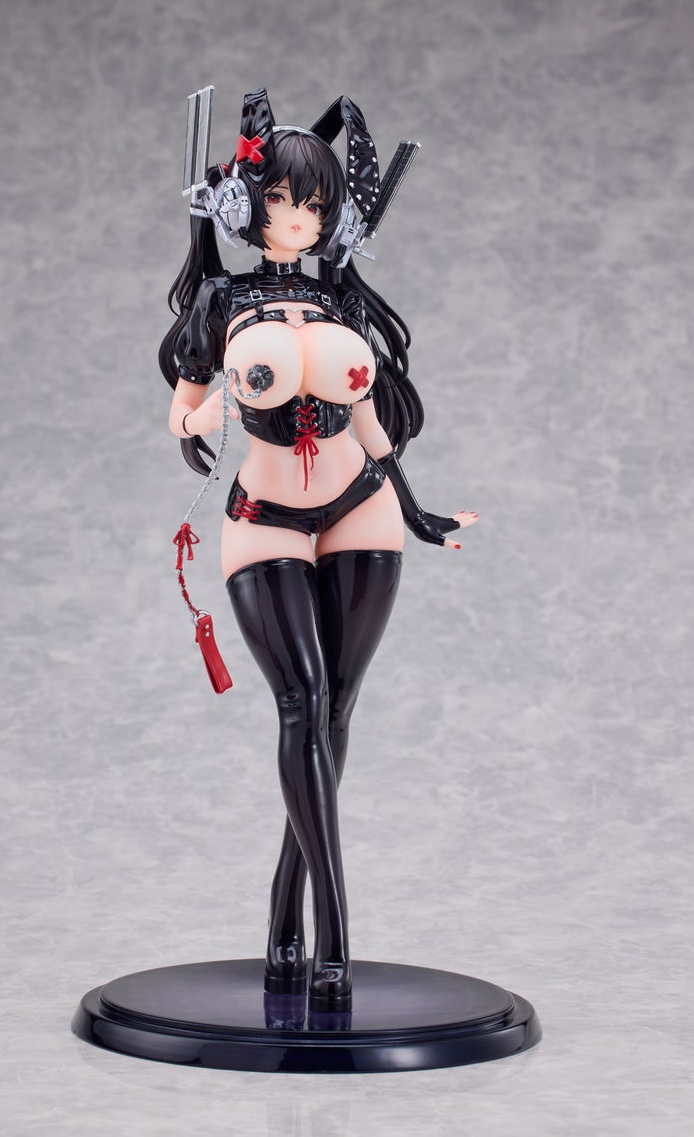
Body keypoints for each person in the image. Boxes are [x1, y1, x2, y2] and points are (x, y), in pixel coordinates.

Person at [159, 89, 478, 1011]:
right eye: (280, 200)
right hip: (263, 515)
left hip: (362, 507)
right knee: (301, 702)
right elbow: (181, 415)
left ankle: (281, 910)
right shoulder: (223, 299)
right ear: (247, 204)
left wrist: (417, 509)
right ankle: (332, 930)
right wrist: (225, 399)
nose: (298, 218)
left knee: (335, 711)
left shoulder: (340, 297)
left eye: (315, 204)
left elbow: (371, 423)